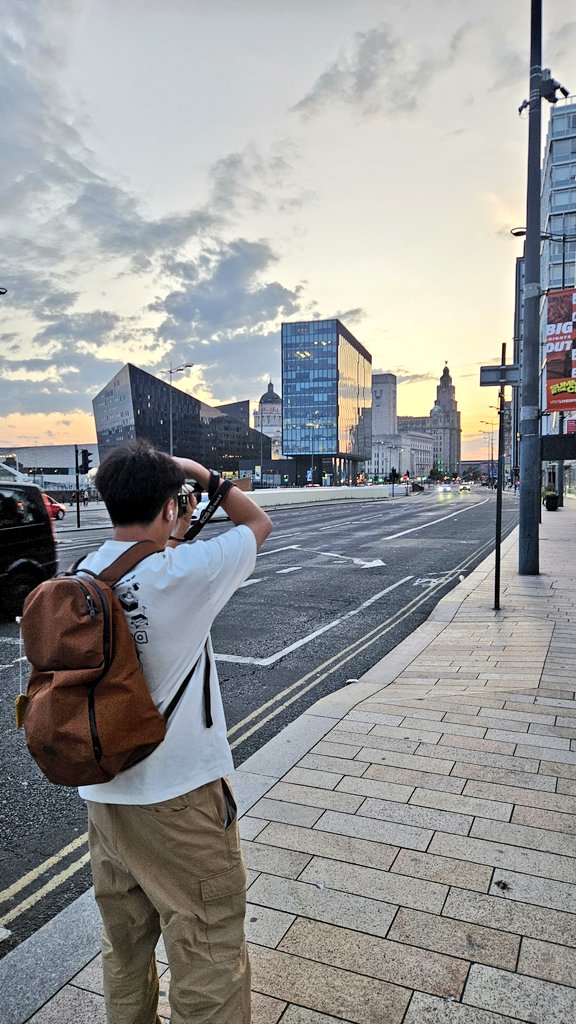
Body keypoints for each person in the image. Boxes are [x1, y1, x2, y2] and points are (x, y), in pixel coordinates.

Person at [77, 439, 272, 1024]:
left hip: (105, 796)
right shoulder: (188, 572)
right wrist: (203, 476)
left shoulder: (85, 574)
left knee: (124, 944)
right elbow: (258, 523)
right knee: (207, 946)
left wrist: (170, 517)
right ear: (170, 507)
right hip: (180, 798)